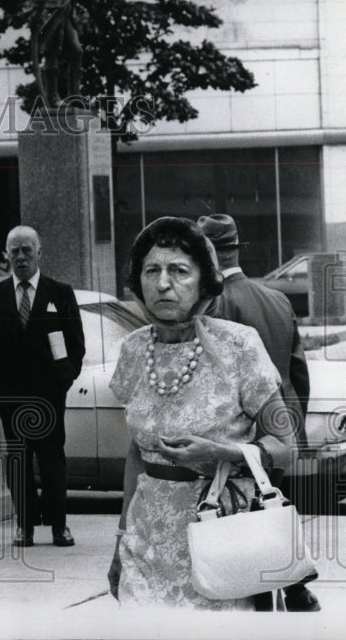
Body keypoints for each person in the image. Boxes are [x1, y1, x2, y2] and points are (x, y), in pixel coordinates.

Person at [106, 217, 296, 608]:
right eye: (152, 271)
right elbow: (136, 454)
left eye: (179, 271)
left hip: (221, 542)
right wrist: (121, 539)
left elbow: (285, 446)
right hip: (144, 545)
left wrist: (219, 453)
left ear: (204, 281)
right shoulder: (132, 351)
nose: (163, 284)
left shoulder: (239, 346)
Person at [198, 213, 320, 612]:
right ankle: (294, 586)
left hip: (240, 440)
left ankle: (278, 600)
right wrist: (290, 430)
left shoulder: (214, 306)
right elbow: (298, 374)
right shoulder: (277, 298)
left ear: (209, 254)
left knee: (242, 535)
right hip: (279, 432)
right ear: (236, 249)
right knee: (268, 513)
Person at [0, 226, 85, 547]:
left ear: (39, 253)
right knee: (18, 461)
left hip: (49, 397)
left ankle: (59, 527)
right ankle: (24, 528)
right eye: (15, 252)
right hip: (11, 396)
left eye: (28, 250)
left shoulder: (60, 293)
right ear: (7, 256)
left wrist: (63, 380)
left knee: (52, 459)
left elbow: (76, 346)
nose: (22, 257)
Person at [29, 0, 84, 107]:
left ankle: (74, 95)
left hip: (66, 7)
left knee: (76, 50)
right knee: (53, 52)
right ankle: (52, 97)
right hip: (53, 9)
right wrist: (37, 8)